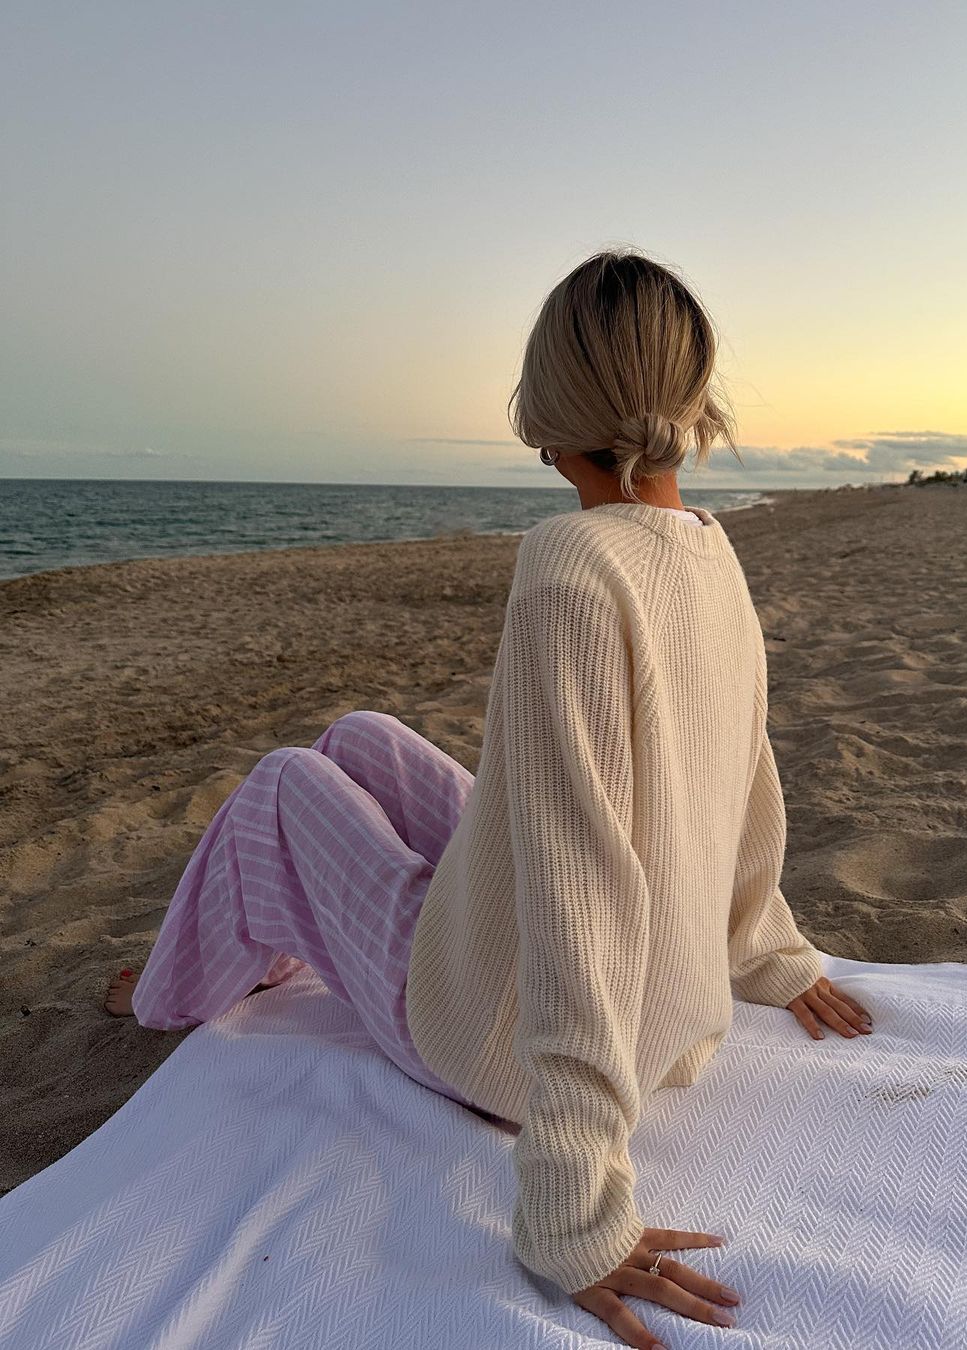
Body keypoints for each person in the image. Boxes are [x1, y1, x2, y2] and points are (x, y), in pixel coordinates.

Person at [104, 248, 873, 1350]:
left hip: (504, 1047)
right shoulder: (711, 552)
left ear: (551, 408)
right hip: (675, 1012)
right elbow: (741, 780)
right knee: (358, 738)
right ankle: (253, 947)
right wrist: (764, 949)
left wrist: (575, 1207)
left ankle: (163, 995)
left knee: (280, 788)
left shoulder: (570, 563)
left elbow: (579, 883)